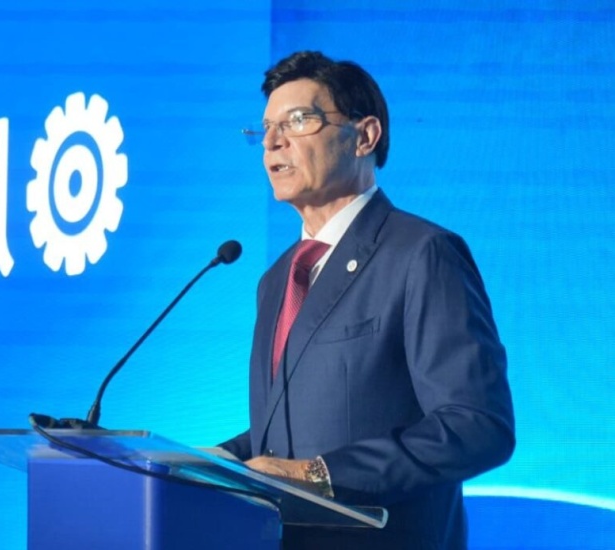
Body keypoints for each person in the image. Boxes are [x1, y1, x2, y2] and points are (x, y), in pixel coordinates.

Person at [219, 50, 515, 550]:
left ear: (365, 136)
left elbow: (477, 426)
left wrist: (320, 475)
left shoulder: (421, 253)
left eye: (298, 121)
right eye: (266, 128)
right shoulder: (276, 280)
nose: (272, 141)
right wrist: (215, 461)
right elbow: (291, 432)